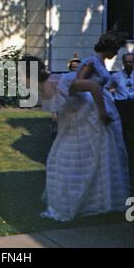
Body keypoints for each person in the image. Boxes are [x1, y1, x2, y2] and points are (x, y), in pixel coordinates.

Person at [36, 31, 130, 221]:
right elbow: (80, 83)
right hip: (91, 108)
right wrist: (101, 110)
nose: (116, 53)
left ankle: (105, 197)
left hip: (101, 103)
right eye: (116, 49)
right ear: (109, 48)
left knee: (107, 152)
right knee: (93, 150)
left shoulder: (101, 63)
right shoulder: (91, 61)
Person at [107, 52, 134, 181]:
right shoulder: (116, 76)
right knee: (123, 132)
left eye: (131, 62)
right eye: (127, 62)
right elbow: (106, 88)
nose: (129, 64)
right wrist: (113, 98)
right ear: (123, 63)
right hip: (122, 106)